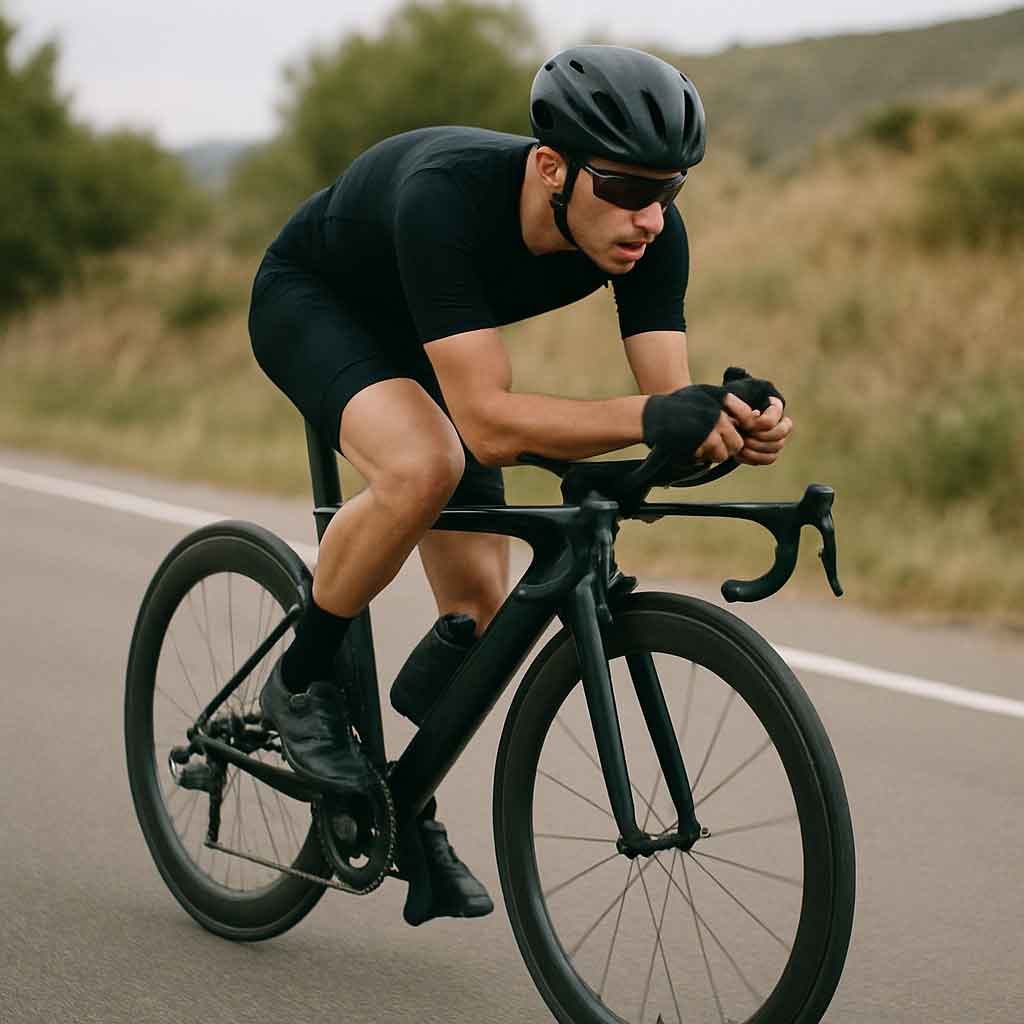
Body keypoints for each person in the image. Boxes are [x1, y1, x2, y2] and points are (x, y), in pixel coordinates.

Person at [248, 44, 792, 926]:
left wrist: (732, 422)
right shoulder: (446, 196)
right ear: (551, 167)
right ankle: (301, 682)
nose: (647, 216)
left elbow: (661, 412)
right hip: (318, 302)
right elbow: (492, 422)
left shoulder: (647, 232)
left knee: (485, 617)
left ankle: (398, 800)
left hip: (438, 338)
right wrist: (652, 418)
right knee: (428, 464)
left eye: (669, 191)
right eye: (621, 188)